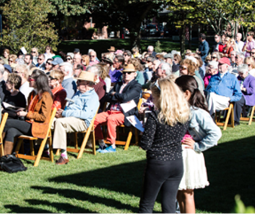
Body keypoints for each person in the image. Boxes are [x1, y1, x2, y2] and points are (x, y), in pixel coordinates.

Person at [138, 78, 191, 213]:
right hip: (177, 162)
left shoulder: (155, 116)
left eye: (153, 96)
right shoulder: (183, 115)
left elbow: (146, 144)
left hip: (158, 162)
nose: (151, 99)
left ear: (161, 97)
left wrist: (141, 132)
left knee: (147, 204)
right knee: (169, 204)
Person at [175, 75, 222, 214]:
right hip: (178, 154)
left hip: (190, 155)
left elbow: (215, 134)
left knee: (188, 193)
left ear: (186, 93)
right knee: (179, 192)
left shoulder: (198, 113)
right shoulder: (180, 111)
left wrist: (197, 145)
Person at [52, 71, 100, 165]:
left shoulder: (92, 97)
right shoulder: (78, 93)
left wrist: (65, 113)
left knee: (59, 123)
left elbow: (85, 114)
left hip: (82, 122)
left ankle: (63, 155)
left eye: (79, 82)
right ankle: (45, 149)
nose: (76, 83)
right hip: (70, 118)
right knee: (49, 122)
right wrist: (62, 113)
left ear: (86, 83)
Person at [2, 72, 53, 155]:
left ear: (38, 81)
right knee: (11, 131)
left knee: (7, 122)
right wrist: (22, 110)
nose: (29, 80)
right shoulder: (32, 93)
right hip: (29, 123)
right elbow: (31, 109)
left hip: (38, 126)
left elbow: (43, 117)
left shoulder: (46, 95)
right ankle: (5, 157)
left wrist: (26, 114)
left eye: (31, 79)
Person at [94, 64, 142, 153]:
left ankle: (112, 145)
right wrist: (118, 96)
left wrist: (115, 95)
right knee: (94, 118)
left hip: (125, 114)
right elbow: (107, 97)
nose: (126, 74)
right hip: (111, 111)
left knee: (111, 119)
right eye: (124, 72)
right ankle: (101, 143)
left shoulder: (136, 86)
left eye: (129, 73)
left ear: (134, 74)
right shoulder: (118, 84)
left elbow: (125, 97)